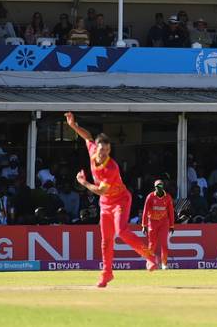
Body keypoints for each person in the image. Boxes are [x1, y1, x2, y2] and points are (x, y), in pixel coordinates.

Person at [65, 111, 157, 286]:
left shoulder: (111, 168)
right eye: (102, 150)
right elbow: (88, 137)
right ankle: (106, 274)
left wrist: (83, 182)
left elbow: (100, 191)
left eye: (107, 150)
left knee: (121, 231)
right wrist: (73, 126)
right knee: (106, 240)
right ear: (97, 148)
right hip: (105, 204)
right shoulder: (93, 151)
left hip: (120, 200)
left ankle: (150, 256)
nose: (104, 153)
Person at [141, 179, 176, 270]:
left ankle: (164, 264)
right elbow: (145, 211)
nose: (159, 188)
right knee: (152, 244)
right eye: (157, 186)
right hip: (152, 222)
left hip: (164, 222)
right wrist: (144, 225)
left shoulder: (167, 197)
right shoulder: (150, 197)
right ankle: (150, 262)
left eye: (160, 186)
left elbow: (171, 212)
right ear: (155, 187)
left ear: (163, 186)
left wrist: (172, 225)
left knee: (164, 244)